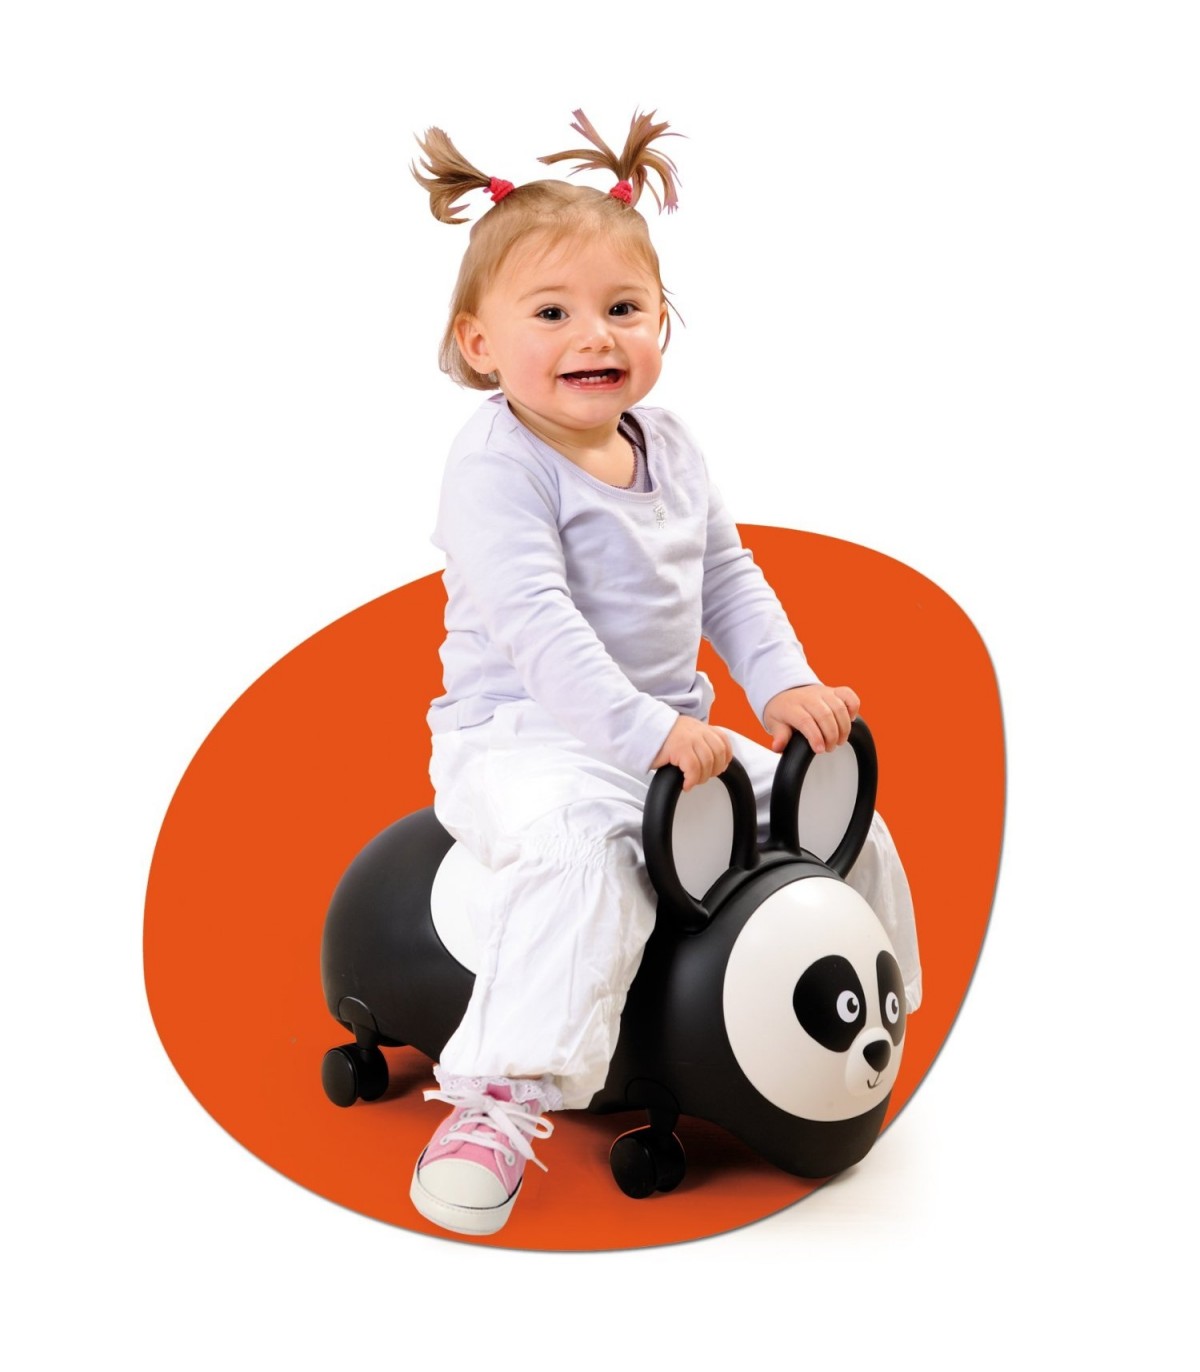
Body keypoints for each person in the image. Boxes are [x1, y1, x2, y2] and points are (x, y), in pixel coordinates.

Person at [409, 110, 921, 1237]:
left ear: (660, 324)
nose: (594, 335)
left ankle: (873, 1018)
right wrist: (644, 731)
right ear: (480, 342)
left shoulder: (670, 445)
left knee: (842, 815)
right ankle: (497, 1098)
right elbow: (537, 626)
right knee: (584, 858)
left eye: (623, 308)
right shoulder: (496, 465)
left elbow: (727, 578)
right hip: (524, 743)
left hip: (665, 738)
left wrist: (783, 685)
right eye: (552, 313)